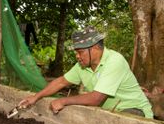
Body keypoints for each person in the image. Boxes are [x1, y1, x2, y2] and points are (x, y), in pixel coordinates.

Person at [19, 26, 154, 118]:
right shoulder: (82, 65)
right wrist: (35, 97)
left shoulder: (114, 61)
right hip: (110, 112)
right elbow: (61, 82)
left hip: (135, 110)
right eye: (76, 52)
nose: (77, 56)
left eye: (80, 52)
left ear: (95, 48)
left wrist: (64, 101)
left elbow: (96, 98)